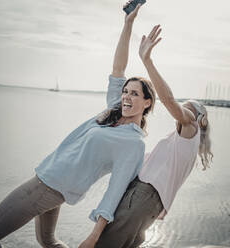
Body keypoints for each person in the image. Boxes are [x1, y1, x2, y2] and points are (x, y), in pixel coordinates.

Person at [0, 3, 155, 248]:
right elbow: (118, 68)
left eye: (134, 94)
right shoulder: (114, 111)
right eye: (125, 91)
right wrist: (128, 24)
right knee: (48, 241)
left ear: (147, 102)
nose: (126, 97)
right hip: (50, 180)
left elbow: (115, 191)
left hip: (47, 188)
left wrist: (94, 236)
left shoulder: (133, 143)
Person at [80, 25, 214, 248]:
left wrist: (147, 61)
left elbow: (170, 101)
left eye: (188, 109)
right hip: (147, 201)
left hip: (144, 195)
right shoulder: (180, 142)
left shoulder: (191, 131)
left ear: (198, 119)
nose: (183, 111)